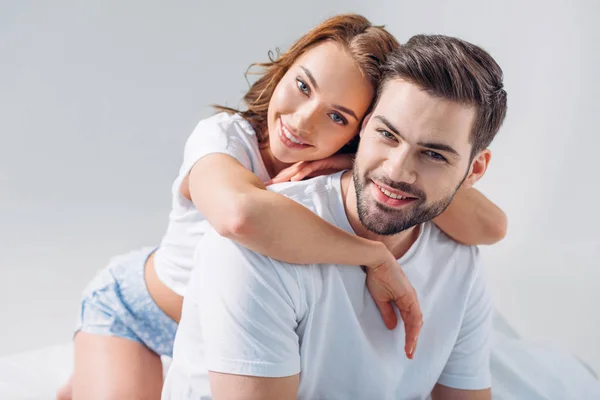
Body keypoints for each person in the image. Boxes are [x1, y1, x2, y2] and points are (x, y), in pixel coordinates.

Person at [59, 14, 506, 400]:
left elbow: (492, 226)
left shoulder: (361, 164)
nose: (301, 120)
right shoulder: (222, 139)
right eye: (302, 86)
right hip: (142, 307)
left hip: (215, 331)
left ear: (356, 130)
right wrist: (372, 255)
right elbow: (240, 216)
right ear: (287, 66)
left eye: (337, 117)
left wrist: (377, 158)